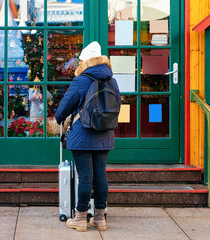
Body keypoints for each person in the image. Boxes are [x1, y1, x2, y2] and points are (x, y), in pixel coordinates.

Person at [55, 41, 121, 232]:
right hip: (104, 134)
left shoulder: (81, 80)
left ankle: (80, 218)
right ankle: (99, 218)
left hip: (83, 134)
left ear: (85, 61)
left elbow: (65, 106)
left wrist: (59, 119)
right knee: (100, 175)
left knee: (85, 176)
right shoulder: (112, 80)